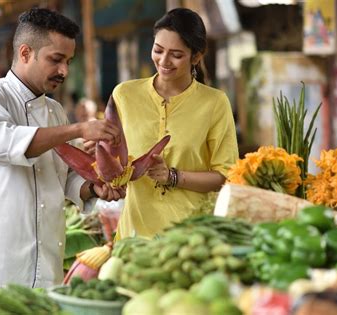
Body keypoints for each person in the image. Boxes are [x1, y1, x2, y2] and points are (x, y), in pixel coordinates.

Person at [0, 7, 125, 298]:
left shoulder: (55, 111)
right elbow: (6, 145)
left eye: (69, 61)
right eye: (56, 60)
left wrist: (92, 188)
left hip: (46, 271)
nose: (64, 71)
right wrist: (78, 129)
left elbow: (66, 177)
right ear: (25, 53)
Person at [97, 8, 239, 239]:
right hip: (134, 236)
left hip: (191, 237)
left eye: (176, 54)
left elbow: (225, 175)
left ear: (196, 57)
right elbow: (113, 159)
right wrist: (101, 164)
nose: (163, 61)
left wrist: (172, 176)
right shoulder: (124, 94)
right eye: (158, 50)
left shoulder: (215, 102)